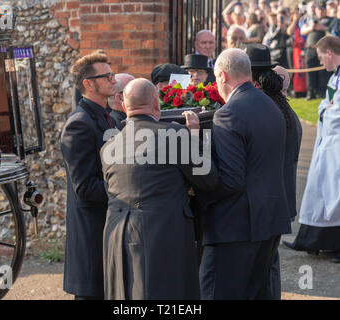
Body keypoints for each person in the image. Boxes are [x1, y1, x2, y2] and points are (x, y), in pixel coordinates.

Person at [101, 78, 220, 299]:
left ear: (125, 107)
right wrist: (194, 137)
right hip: (162, 231)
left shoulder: (109, 146)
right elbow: (208, 180)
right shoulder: (175, 136)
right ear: (157, 105)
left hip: (116, 231)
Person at [199, 48, 291, 300]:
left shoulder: (229, 113)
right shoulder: (271, 105)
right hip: (269, 218)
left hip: (236, 225)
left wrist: (196, 192)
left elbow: (231, 179)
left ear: (222, 76)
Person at [245, 43, 302, 299]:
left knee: (262, 267)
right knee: (269, 263)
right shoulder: (282, 109)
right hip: (280, 198)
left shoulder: (267, 111)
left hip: (267, 200)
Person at [60, 51, 117, 300]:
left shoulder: (107, 117)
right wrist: (125, 192)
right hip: (92, 231)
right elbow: (84, 187)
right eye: (108, 76)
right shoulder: (79, 124)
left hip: (108, 227)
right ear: (88, 83)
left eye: (112, 75)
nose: (114, 80)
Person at [283, 35, 340, 264]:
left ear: (329, 53)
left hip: (336, 142)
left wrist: (327, 111)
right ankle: (315, 240)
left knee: (335, 192)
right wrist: (325, 109)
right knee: (321, 191)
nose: (321, 62)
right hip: (328, 142)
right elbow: (328, 104)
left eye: (320, 57)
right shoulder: (335, 75)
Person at [301, 1, 332, 100]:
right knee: (310, 71)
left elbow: (334, 33)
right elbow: (302, 31)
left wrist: (322, 28)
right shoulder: (311, 19)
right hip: (310, 48)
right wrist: (312, 27)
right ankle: (310, 93)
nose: (320, 12)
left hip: (323, 49)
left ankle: (322, 92)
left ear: (325, 10)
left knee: (323, 71)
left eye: (322, 10)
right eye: (319, 9)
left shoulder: (331, 20)